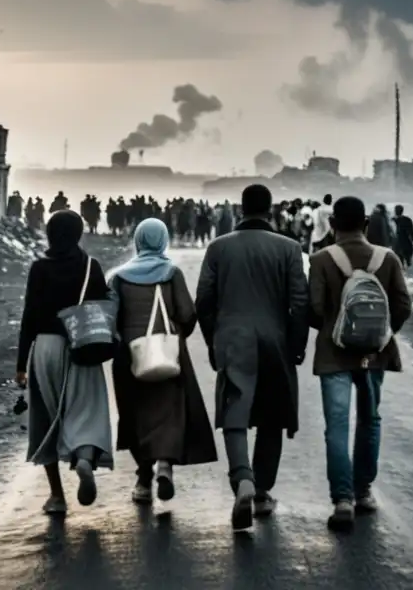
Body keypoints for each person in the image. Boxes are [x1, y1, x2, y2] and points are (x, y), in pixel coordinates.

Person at [195, 184, 309, 531]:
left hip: (232, 339)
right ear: (269, 209)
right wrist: (297, 344)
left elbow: (204, 300)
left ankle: (242, 480)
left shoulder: (218, 248)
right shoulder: (289, 248)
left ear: (241, 209)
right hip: (275, 340)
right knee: (272, 417)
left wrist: (214, 340)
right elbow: (300, 302)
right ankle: (261, 492)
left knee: (235, 411)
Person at [308, 196, 412, 532]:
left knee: (336, 425)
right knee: (370, 419)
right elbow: (403, 304)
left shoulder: (322, 259)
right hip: (373, 355)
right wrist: (381, 333)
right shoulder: (388, 258)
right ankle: (363, 491)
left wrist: (331, 329)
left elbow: (313, 307)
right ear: (366, 224)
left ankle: (341, 499)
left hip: (334, 354)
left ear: (333, 224)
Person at [108, 218, 218, 504]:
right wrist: (178, 336)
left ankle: (143, 480)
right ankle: (166, 465)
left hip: (130, 356)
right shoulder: (171, 272)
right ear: (163, 240)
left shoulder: (118, 276)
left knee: (134, 414)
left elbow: (110, 319)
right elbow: (187, 313)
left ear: (138, 240)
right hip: (167, 351)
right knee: (168, 412)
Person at [16, 210, 115, 516]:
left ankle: (57, 497)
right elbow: (102, 306)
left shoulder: (39, 268)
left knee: (46, 417)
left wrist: (21, 364)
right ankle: (84, 460)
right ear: (78, 233)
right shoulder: (90, 266)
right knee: (85, 410)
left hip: (45, 347)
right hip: (81, 345)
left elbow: (29, 317)